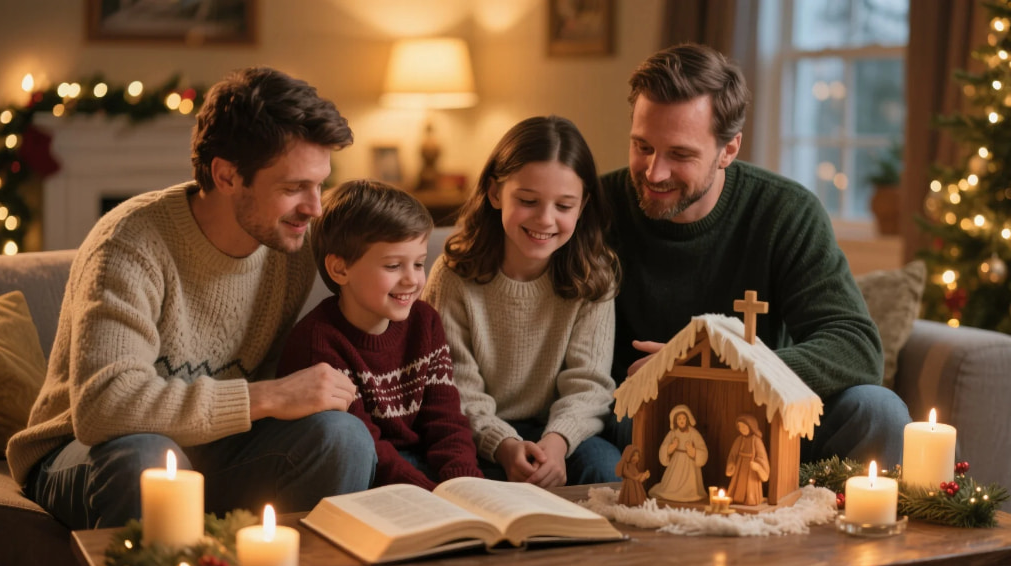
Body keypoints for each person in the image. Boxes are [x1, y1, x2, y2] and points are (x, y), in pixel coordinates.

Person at [6, 67, 376, 530]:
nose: (314, 207)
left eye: (319, 184)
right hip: (86, 450)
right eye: (292, 187)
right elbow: (104, 409)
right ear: (226, 176)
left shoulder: (291, 246)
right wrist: (267, 396)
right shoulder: (129, 242)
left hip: (213, 446)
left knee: (344, 438)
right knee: (145, 458)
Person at [601, 43, 911, 469]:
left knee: (879, 411)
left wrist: (724, 368)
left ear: (729, 149)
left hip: (765, 419)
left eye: (680, 154)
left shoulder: (785, 211)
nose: (654, 172)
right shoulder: (596, 207)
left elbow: (856, 347)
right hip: (642, 421)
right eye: (642, 147)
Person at [422, 115, 622, 488]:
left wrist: (557, 444)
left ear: (583, 204)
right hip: (473, 430)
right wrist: (504, 445)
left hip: (559, 433)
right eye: (528, 200)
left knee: (607, 473)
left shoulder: (594, 276)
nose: (545, 220)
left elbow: (589, 385)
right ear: (496, 193)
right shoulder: (453, 275)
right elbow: (454, 386)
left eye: (564, 206)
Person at [276, 180, 483, 490]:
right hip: (365, 470)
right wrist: (429, 494)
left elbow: (446, 422)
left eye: (418, 263)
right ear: (340, 270)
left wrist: (466, 485)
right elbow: (363, 444)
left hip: (420, 464)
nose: (412, 279)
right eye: (393, 265)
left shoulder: (425, 322)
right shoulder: (318, 343)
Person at [648, 404, 707, 502]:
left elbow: (702, 449)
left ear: (687, 419)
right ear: (675, 421)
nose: (682, 421)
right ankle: (672, 491)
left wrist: (693, 451)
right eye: (679, 419)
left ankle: (689, 493)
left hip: (690, 464)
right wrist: (671, 447)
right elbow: (664, 448)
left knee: (690, 483)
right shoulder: (672, 433)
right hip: (676, 462)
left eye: (683, 418)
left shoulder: (694, 433)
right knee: (672, 483)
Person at [725, 415, 769, 506]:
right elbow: (732, 455)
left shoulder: (756, 441)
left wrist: (758, 466)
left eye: (744, 426)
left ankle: (750, 500)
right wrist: (731, 464)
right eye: (740, 427)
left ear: (751, 427)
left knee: (750, 487)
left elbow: (762, 457)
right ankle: (736, 498)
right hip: (739, 468)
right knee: (738, 485)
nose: (742, 429)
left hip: (751, 470)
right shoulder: (739, 440)